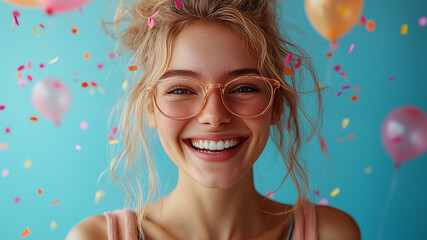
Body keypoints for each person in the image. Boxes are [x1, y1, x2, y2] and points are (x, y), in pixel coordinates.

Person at [66, 0, 361, 239]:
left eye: (244, 88)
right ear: (150, 108)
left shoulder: (331, 233)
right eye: (180, 89)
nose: (214, 116)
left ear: (276, 105)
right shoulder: (94, 237)